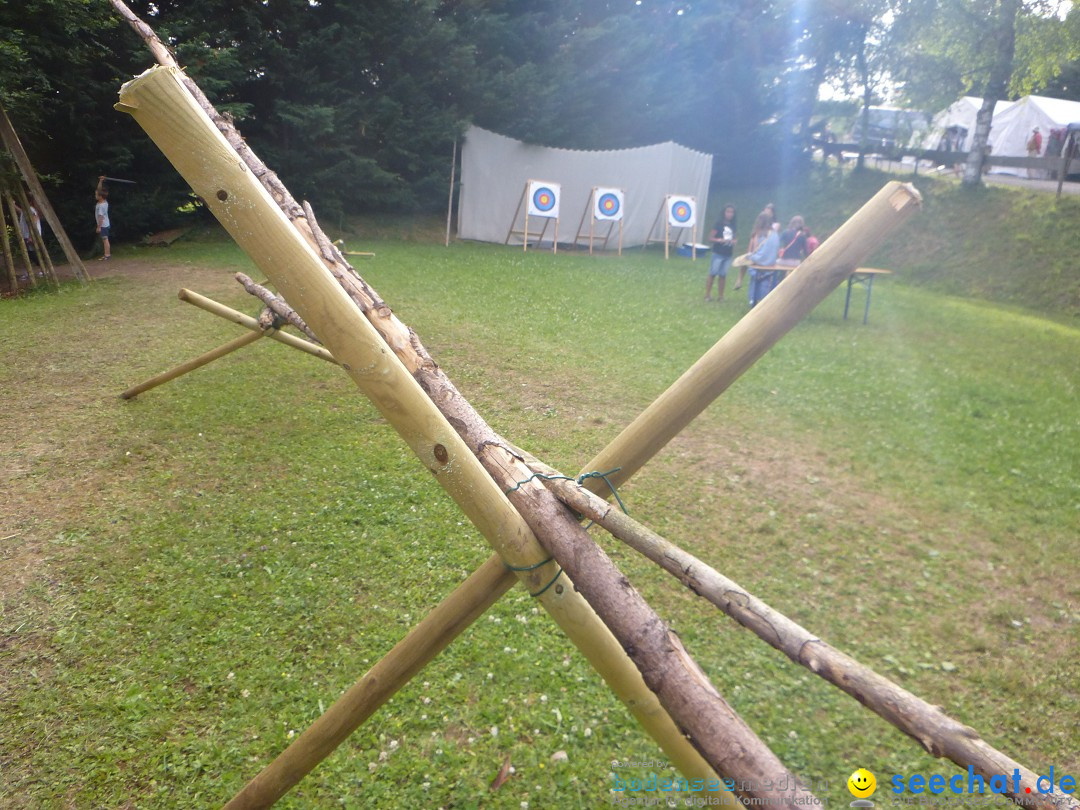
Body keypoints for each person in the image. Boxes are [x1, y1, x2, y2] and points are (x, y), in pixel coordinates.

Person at [735, 203, 776, 291]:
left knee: (746, 258)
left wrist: (752, 255)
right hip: (761, 255)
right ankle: (739, 279)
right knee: (746, 258)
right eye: (766, 210)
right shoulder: (760, 229)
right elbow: (753, 241)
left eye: (769, 211)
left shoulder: (772, 227)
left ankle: (740, 279)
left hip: (763, 257)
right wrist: (750, 253)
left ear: (772, 214)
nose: (767, 213)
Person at [745, 211, 780, 307]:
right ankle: (763, 302)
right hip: (771, 263)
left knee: (754, 279)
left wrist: (750, 256)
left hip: (761, 263)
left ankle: (753, 300)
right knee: (766, 284)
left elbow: (759, 252)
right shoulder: (775, 234)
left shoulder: (762, 234)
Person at [705, 204, 736, 302]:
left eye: (732, 212)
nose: (730, 214)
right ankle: (707, 295)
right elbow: (710, 238)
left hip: (728, 254)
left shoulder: (733, 225)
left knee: (723, 275)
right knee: (713, 273)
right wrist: (719, 240)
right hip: (718, 253)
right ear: (724, 212)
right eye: (728, 212)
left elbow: (734, 237)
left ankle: (721, 296)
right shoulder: (718, 224)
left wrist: (734, 241)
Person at [95, 176, 111, 260]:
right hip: (105, 224)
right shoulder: (103, 201)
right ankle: (106, 254)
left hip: (103, 225)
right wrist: (101, 181)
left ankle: (107, 255)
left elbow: (100, 217)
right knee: (104, 239)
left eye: (96, 195)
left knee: (105, 239)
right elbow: (99, 190)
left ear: (100, 196)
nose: (95, 196)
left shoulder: (101, 205)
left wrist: (99, 227)